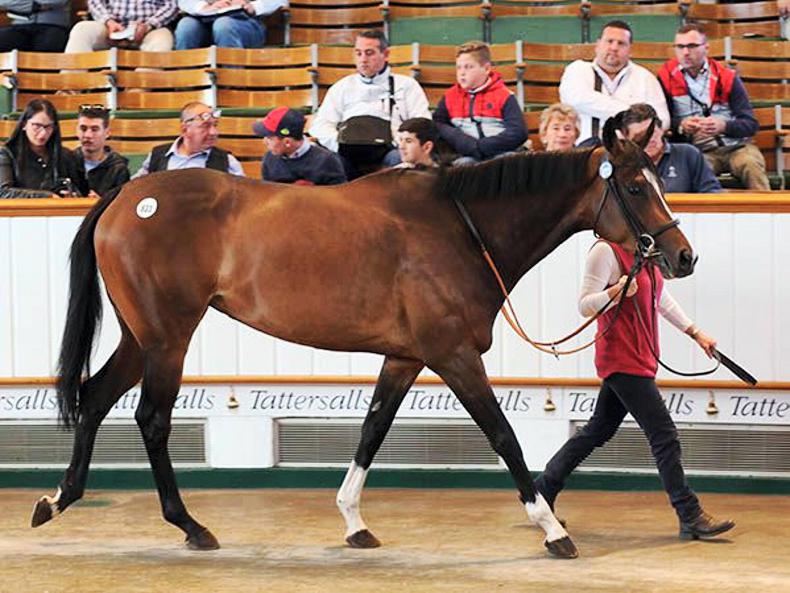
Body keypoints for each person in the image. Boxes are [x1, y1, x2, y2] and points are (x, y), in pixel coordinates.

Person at [534, 239, 735, 541]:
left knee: (598, 430)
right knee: (664, 435)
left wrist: (695, 333)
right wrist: (613, 293)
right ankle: (689, 514)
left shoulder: (645, 252)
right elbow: (584, 305)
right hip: (622, 358)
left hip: (639, 358)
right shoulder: (605, 251)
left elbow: (660, 298)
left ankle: (542, 489)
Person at [657, 24, 770, 190]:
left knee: (750, 164)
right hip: (698, 151)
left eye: (692, 46)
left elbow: (751, 124)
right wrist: (681, 126)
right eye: (680, 47)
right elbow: (662, 121)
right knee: (693, 172)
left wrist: (724, 126)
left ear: (706, 48)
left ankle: (765, 206)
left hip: (737, 147)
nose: (686, 52)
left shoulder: (727, 77)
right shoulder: (666, 77)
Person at [308, 29, 431, 179]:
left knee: (400, 159)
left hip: (391, 150)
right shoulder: (342, 87)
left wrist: (398, 141)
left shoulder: (406, 86)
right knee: (330, 161)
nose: (363, 59)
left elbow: (423, 123)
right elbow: (321, 125)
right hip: (348, 152)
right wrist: (339, 143)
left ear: (386, 54)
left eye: (369, 53)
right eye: (358, 53)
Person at [559, 20, 669, 145]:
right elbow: (577, 99)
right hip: (582, 151)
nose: (614, 48)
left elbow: (663, 120)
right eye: (609, 41)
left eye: (621, 43)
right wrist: (635, 116)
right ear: (597, 45)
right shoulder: (577, 70)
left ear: (630, 49)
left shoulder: (645, 78)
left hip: (631, 151)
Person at [433, 41, 527, 164]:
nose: (462, 73)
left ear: (486, 68)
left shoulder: (504, 96)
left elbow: (518, 132)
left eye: (468, 67)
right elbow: (438, 123)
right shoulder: (449, 97)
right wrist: (462, 140)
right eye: (458, 67)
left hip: (500, 152)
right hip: (468, 154)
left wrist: (481, 147)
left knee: (509, 160)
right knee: (463, 164)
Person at [620, 103, 721, 193]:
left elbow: (712, 193)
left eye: (652, 133)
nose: (649, 140)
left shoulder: (688, 154)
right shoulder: (621, 164)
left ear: (661, 130)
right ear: (628, 139)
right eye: (640, 137)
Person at [0, 99, 87, 199]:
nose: (43, 133)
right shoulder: (7, 154)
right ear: (24, 124)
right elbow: (3, 192)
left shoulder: (66, 156)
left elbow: (81, 191)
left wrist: (73, 194)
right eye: (37, 126)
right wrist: (47, 196)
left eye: (48, 127)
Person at [134, 101, 244, 177]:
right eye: (205, 126)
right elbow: (135, 188)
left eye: (215, 125)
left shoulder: (227, 161)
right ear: (184, 129)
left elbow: (243, 198)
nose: (214, 132)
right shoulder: (157, 156)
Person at [253, 106, 346, 185]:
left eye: (269, 138)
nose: (264, 142)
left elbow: (339, 196)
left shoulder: (326, 161)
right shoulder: (269, 159)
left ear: (287, 142)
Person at [64, 0, 178, 52]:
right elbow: (95, 2)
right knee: (82, 29)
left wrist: (148, 25)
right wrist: (109, 21)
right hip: (110, 26)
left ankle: (139, 88)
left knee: (163, 40)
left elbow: (171, 6)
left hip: (149, 28)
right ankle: (70, 86)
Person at [174, 0, 286, 50]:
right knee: (186, 27)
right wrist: (205, 7)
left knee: (223, 25)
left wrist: (252, 6)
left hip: (246, 23)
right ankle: (187, 84)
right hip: (205, 21)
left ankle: (232, 84)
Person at [74, 105, 130, 198]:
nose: (88, 135)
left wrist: (101, 202)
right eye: (83, 129)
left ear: (107, 133)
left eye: (94, 130)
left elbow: (122, 203)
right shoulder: (66, 161)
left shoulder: (118, 169)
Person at [0, 0, 70, 52]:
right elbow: (3, 1)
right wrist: (34, 6)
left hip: (53, 25)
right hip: (17, 24)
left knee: (50, 45)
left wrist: (21, 5)